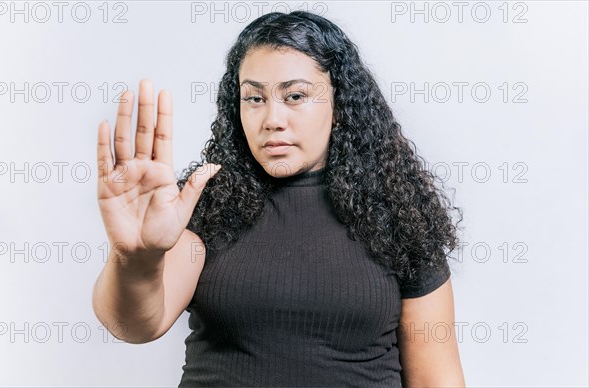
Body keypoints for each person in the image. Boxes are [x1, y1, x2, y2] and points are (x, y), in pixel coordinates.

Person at [92, 10, 466, 388]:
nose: (272, 118)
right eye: (254, 97)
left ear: (340, 103)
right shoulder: (204, 203)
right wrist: (135, 257)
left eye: (296, 96)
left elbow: (438, 378)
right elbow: (136, 326)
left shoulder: (399, 214)